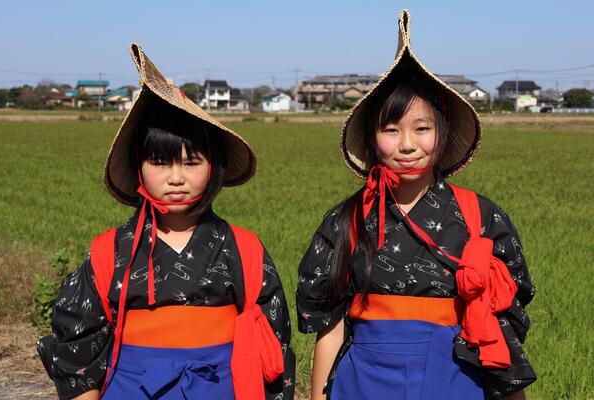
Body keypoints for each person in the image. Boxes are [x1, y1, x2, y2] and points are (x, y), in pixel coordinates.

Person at [296, 10, 536, 400]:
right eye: (391, 130)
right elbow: (331, 326)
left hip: (459, 379)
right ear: (373, 139)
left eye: (421, 128)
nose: (407, 144)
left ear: (442, 133)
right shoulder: (346, 220)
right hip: (363, 383)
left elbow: (501, 328)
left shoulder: (480, 217)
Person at [37, 43, 295, 400]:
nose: (176, 178)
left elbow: (275, 343)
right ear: (138, 167)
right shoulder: (108, 253)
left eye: (192, 163)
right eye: (160, 162)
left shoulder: (245, 251)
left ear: (214, 166)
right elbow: (77, 352)